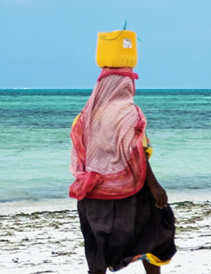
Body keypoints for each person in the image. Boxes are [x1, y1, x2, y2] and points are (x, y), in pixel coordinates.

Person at [70, 67, 175, 273]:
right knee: (152, 233)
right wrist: (154, 186)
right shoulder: (129, 114)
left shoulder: (84, 117)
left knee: (97, 242)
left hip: (93, 192)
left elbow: (81, 154)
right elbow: (137, 153)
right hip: (131, 190)